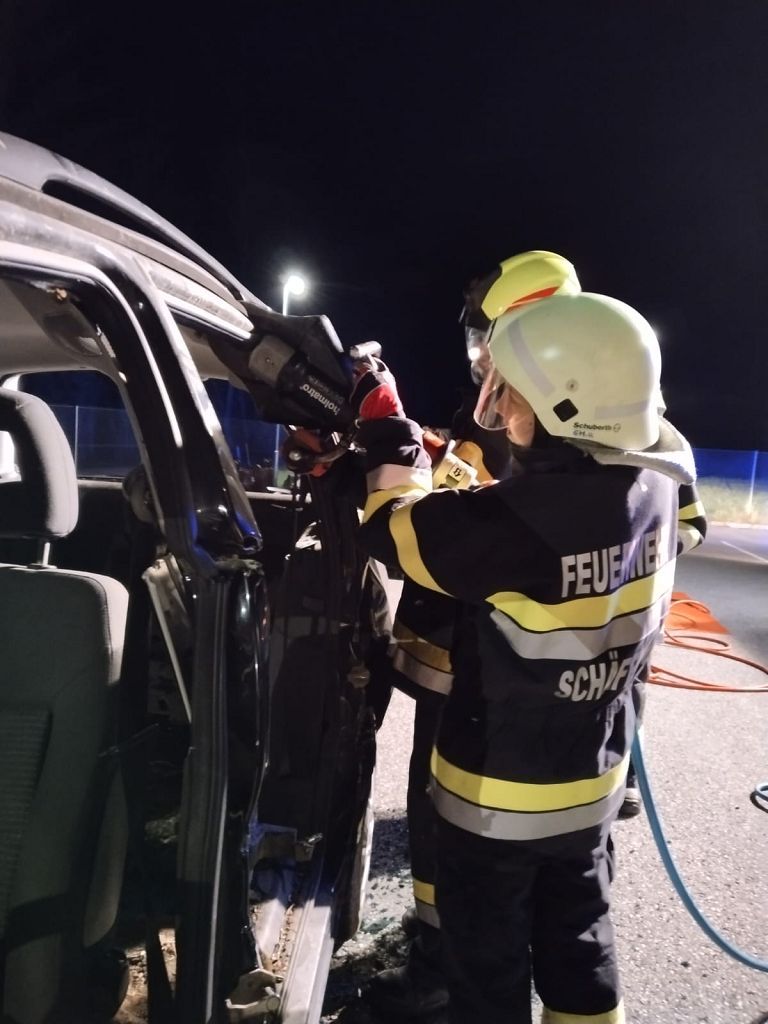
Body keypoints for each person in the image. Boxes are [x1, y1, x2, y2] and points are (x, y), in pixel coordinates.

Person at [353, 289, 700, 1024]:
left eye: (513, 392)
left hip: (497, 804)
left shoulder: (517, 524)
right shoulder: (660, 487)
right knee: (581, 949)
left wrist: (388, 434)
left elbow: (395, 529)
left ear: (566, 407)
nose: (502, 405)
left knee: (487, 972)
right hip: (591, 787)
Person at [368, 252, 583, 1018]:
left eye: (491, 339)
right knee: (512, 856)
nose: (482, 358)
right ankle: (441, 951)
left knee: (461, 825)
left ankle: (446, 972)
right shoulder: (508, 410)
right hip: (486, 667)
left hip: (491, 673)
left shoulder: (562, 428)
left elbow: (414, 535)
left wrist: (392, 448)